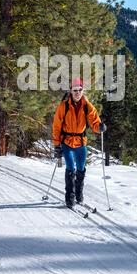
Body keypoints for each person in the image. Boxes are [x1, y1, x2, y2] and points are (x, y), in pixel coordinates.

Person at [52, 78, 107, 209]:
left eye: (80, 90)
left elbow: (94, 120)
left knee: (81, 169)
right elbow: (56, 126)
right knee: (70, 168)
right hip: (67, 142)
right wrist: (57, 144)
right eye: (75, 90)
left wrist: (99, 127)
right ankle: (70, 198)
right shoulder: (63, 106)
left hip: (81, 143)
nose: (77, 92)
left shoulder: (87, 105)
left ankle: (79, 195)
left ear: (82, 91)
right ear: (71, 91)